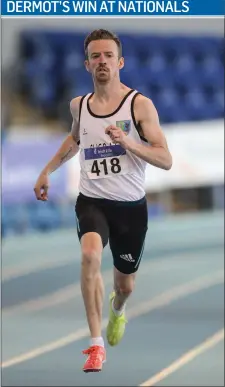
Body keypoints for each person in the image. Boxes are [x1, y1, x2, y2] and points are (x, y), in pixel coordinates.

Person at [34, 29, 172, 373]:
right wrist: (47, 170)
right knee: (89, 254)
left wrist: (129, 143)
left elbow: (165, 158)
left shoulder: (138, 105)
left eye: (108, 55)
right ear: (86, 65)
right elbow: (75, 138)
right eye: (95, 56)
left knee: (124, 285)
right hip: (92, 201)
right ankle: (96, 345)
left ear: (120, 62)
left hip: (130, 208)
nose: (102, 62)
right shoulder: (78, 105)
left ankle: (119, 309)